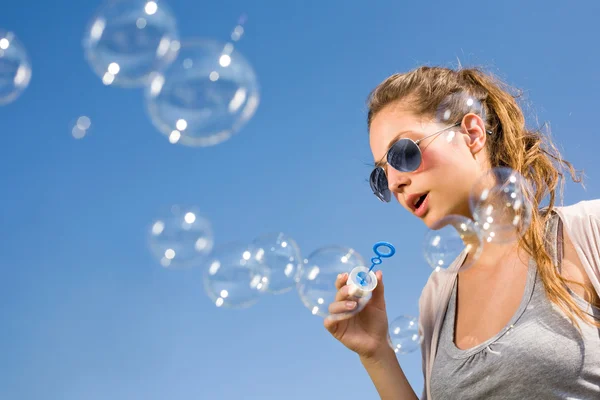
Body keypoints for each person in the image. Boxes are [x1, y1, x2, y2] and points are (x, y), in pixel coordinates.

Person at [324, 66, 600, 399]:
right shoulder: (436, 296)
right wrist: (376, 353)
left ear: (471, 133)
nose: (396, 182)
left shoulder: (588, 231)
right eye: (381, 177)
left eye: (403, 153)